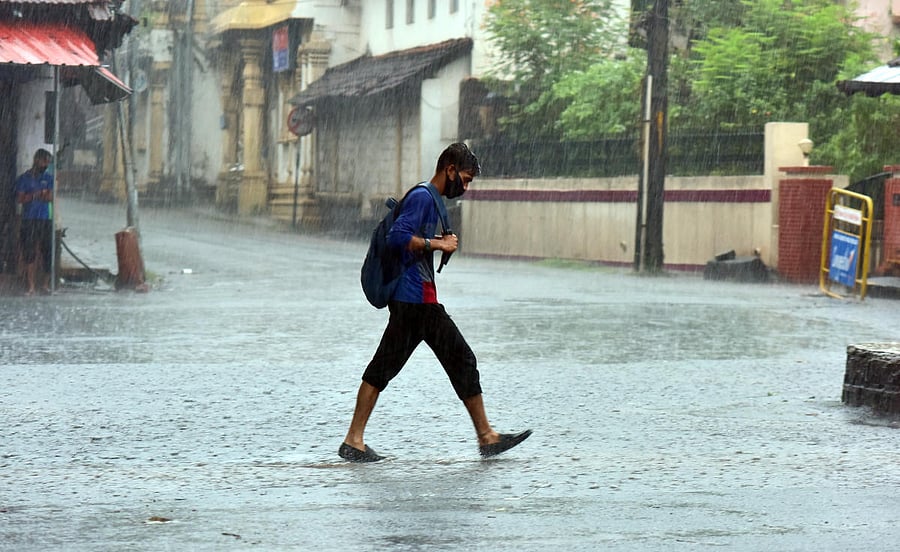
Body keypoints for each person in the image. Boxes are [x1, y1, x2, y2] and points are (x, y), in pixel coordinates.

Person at [339, 142, 532, 462]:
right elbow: (398, 237)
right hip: (417, 302)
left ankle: (354, 440)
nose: (466, 187)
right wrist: (438, 243)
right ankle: (486, 436)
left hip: (412, 302)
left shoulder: (428, 198)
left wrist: (435, 245)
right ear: (450, 170)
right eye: (466, 179)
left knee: (383, 368)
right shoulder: (422, 198)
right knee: (462, 360)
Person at [15, 148, 54, 296]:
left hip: (45, 219)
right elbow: (20, 199)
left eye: (48, 162)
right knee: (29, 252)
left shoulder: (49, 178)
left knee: (47, 252)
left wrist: (34, 196)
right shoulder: (24, 178)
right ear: (37, 160)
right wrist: (36, 195)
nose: (46, 164)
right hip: (29, 219)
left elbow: (49, 197)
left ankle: (45, 285)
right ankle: (30, 285)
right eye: (44, 161)